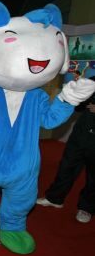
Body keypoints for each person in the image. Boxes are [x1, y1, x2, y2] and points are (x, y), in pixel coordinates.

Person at [36, 76, 95, 223]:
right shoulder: (92, 80)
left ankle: (86, 208)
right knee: (66, 166)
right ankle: (54, 198)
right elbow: (79, 105)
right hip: (82, 131)